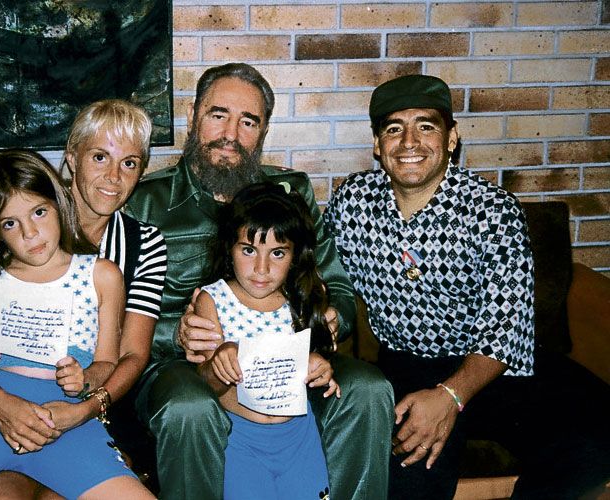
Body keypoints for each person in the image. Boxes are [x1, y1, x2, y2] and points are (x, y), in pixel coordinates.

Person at [323, 74, 610, 499]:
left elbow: (506, 331)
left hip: (491, 369)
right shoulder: (353, 202)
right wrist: (324, 304)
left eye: (426, 126)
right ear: (377, 145)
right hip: (406, 365)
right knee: (410, 476)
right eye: (393, 129)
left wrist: (450, 396)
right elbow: (317, 269)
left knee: (600, 438)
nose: (409, 142)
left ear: (451, 137)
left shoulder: (493, 211)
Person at [124, 62, 394, 499]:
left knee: (367, 389)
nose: (231, 133)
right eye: (219, 115)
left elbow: (339, 290)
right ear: (193, 117)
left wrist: (325, 321)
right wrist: (177, 336)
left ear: (263, 131)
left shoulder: (293, 193)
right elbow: (111, 315)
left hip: (285, 355)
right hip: (176, 367)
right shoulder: (146, 201)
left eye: (247, 121)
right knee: (189, 409)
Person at [0, 100, 167, 496]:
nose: (113, 176)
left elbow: (133, 355)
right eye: (100, 156)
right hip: (1, 408)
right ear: (72, 158)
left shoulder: (144, 244)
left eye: (130, 163)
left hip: (91, 412)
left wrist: (86, 407)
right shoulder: (23, 218)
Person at [196, 182, 339, 499]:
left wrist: (319, 367)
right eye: (248, 250)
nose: (261, 268)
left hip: (299, 435)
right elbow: (206, 383)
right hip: (240, 438)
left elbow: (311, 365)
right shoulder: (214, 299)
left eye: (277, 253)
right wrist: (220, 357)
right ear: (229, 248)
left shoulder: (301, 299)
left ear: (294, 256)